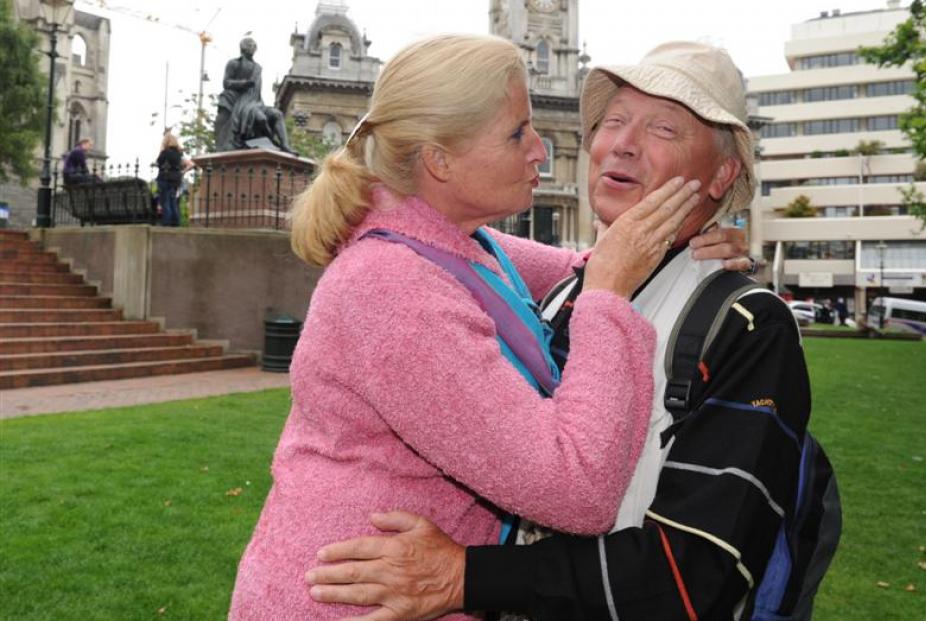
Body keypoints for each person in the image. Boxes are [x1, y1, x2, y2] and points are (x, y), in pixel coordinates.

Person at [228, 34, 745, 621]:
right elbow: (577, 491)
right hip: (347, 601)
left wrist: (689, 245)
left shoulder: (459, 243)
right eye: (517, 133)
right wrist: (607, 298)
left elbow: (585, 267)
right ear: (440, 159)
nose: (541, 152)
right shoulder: (392, 286)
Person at [215, 37, 292, 152]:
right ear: (243, 48)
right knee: (261, 119)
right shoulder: (234, 63)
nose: (252, 47)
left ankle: (285, 146)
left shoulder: (257, 67)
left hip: (256, 102)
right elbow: (226, 83)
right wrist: (244, 83)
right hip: (242, 103)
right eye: (249, 45)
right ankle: (270, 140)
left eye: (253, 45)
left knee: (277, 114)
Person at [155, 132, 193, 227]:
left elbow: (158, 162)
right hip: (175, 180)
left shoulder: (165, 153)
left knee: (165, 202)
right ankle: (175, 222)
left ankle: (167, 223)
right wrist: (182, 172)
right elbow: (184, 164)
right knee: (173, 202)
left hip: (165, 178)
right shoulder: (178, 154)